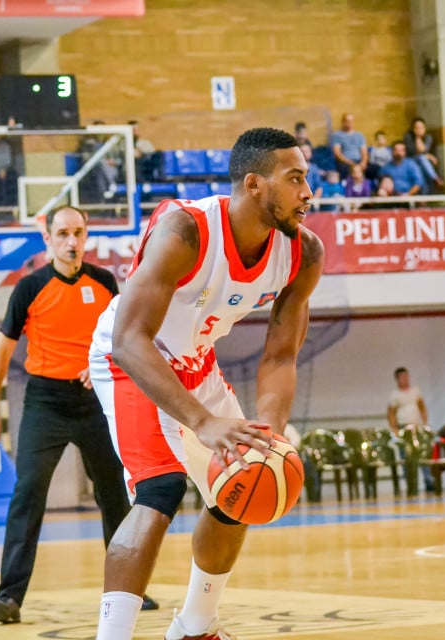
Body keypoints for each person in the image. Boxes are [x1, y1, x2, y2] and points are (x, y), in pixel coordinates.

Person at [87, 127, 324, 640]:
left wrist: (269, 435)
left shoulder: (303, 252)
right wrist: (202, 420)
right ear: (255, 185)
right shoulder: (186, 231)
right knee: (161, 488)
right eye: (296, 179)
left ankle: (196, 626)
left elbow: (281, 354)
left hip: (195, 364)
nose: (308, 193)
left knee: (238, 487)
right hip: (129, 358)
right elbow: (130, 339)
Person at [0, 206, 157, 624]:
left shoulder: (104, 282)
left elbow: (123, 337)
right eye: (62, 234)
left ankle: (129, 591)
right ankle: (9, 597)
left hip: (94, 399)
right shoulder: (29, 287)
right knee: (28, 492)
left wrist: (102, 365)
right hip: (45, 402)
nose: (71, 241)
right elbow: (2, 350)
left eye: (77, 233)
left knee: (114, 493)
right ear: (48, 239)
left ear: (86, 235)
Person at [403, 118, 444, 191]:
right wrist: (417, 137)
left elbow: (424, 150)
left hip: (423, 163)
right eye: (416, 128)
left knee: (421, 169)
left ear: (425, 128)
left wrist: (426, 155)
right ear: (413, 129)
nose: (419, 130)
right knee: (421, 158)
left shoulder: (428, 137)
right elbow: (413, 151)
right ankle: (435, 178)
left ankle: (424, 198)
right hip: (410, 160)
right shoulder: (408, 136)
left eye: (421, 127)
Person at [330, 112, 368, 178]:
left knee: (372, 168)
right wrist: (350, 162)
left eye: (351, 121)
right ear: (343, 122)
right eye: (347, 121)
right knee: (343, 168)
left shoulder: (359, 135)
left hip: (359, 161)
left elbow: (364, 152)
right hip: (345, 162)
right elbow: (337, 153)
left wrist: (364, 162)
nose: (350, 123)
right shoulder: (337, 135)